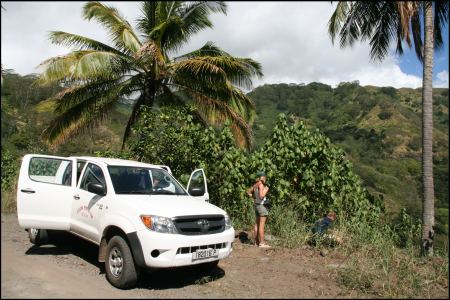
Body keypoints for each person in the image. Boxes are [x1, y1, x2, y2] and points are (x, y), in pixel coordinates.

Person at [246, 171, 270, 248]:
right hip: (261, 206)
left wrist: (254, 198)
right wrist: (266, 190)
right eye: (265, 177)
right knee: (261, 226)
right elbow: (261, 196)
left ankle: (256, 242)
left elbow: (248, 192)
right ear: (261, 177)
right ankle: (262, 243)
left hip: (256, 205)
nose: (265, 178)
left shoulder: (255, 185)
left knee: (257, 224)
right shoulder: (261, 185)